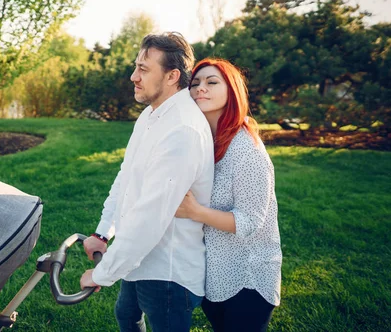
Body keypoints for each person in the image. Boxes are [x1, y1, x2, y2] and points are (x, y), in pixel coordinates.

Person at [79, 32, 214, 332]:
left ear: (172, 76)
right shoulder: (151, 115)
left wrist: (103, 274)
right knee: (126, 317)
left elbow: (151, 217)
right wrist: (103, 233)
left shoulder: (182, 129)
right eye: (136, 66)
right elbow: (126, 177)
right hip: (140, 259)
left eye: (143, 69)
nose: (133, 76)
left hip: (168, 272)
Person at [176, 57, 282, 332]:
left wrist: (195, 211)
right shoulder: (205, 141)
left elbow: (249, 223)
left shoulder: (247, 150)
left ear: (232, 91)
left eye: (212, 82)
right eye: (195, 83)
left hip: (247, 278)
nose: (201, 88)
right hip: (215, 274)